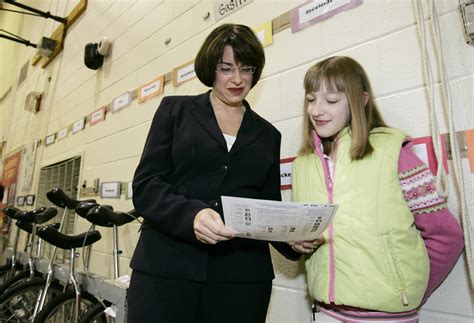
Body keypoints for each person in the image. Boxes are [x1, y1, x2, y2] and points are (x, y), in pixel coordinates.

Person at [128, 23, 300, 323]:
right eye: (226, 68)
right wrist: (190, 215)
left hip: (240, 281)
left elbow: (268, 205)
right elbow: (147, 185)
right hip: (166, 271)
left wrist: (291, 240)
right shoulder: (174, 111)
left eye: (246, 69)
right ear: (211, 68)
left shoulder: (268, 134)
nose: (237, 79)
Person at [290, 56, 464, 322]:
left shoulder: (393, 152)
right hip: (324, 311)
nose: (317, 110)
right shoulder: (302, 165)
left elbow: (446, 236)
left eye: (332, 100)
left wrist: (409, 290)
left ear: (361, 100)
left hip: (386, 316)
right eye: (311, 99)